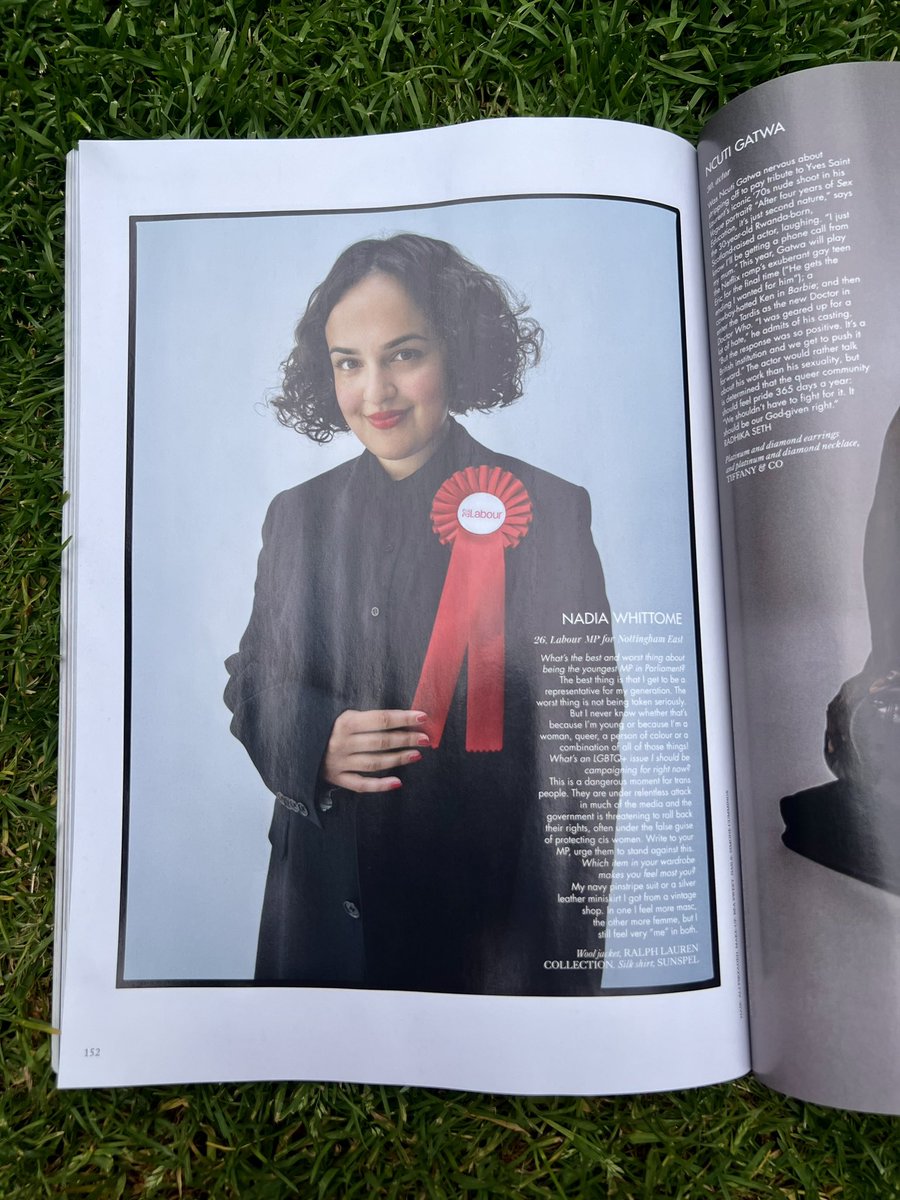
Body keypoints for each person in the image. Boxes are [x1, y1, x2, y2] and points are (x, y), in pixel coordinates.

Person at [224, 233, 622, 993]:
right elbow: (252, 681)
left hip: (489, 925)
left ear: (459, 350)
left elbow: (586, 741)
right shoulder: (295, 516)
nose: (375, 392)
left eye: (403, 354)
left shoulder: (550, 512)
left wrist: (567, 958)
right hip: (321, 918)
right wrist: (315, 742)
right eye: (349, 362)